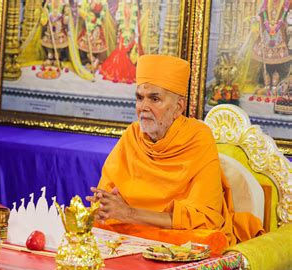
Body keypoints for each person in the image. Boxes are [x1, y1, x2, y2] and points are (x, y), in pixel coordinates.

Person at [87, 54, 264, 252]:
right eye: (139, 98)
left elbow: (205, 219)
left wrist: (129, 214)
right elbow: (108, 200)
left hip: (176, 238)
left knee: (205, 242)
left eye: (155, 99)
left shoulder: (198, 137)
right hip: (131, 234)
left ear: (178, 107)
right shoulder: (132, 136)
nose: (144, 107)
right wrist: (103, 208)